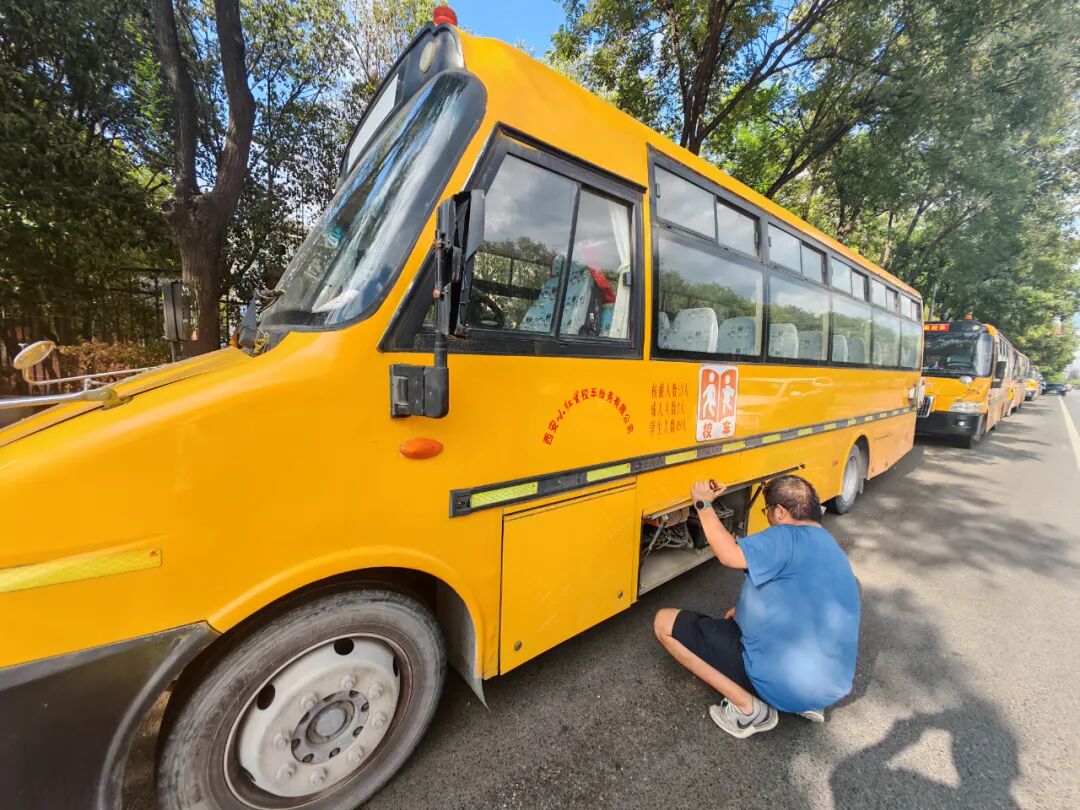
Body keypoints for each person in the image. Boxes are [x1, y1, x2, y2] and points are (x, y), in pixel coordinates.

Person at [653, 474, 860, 738]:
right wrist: (741, 612)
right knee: (734, 618)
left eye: (768, 512)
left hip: (785, 684)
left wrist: (703, 505)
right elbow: (793, 598)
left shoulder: (786, 536)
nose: (769, 519)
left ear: (781, 512)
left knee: (664, 622)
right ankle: (807, 705)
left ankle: (749, 710)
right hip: (830, 688)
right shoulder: (830, 547)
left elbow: (729, 555)